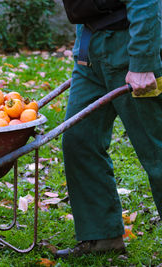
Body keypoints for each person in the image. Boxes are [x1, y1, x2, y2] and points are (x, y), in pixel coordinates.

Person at [56, 0, 162, 257]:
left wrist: (142, 61)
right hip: (91, 49)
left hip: (131, 47)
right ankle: (100, 236)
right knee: (79, 140)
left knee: (156, 151)